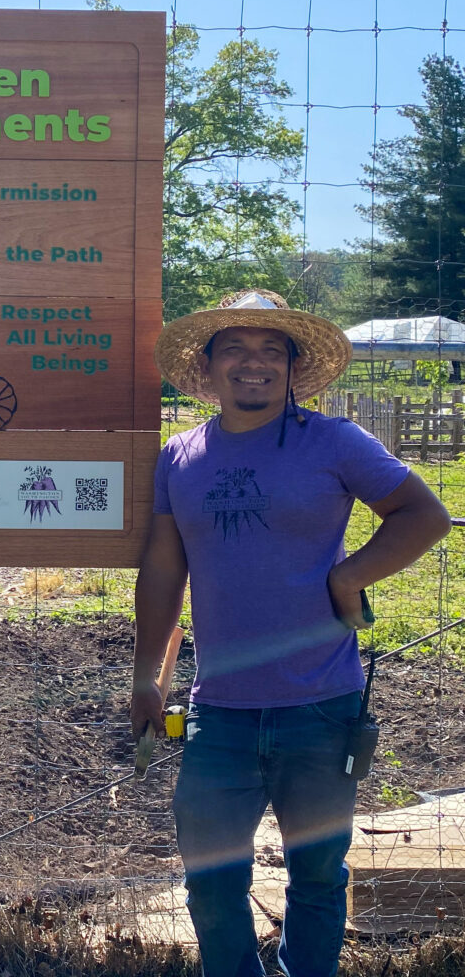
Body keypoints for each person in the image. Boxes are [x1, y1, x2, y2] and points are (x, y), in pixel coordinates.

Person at [132, 290, 450, 977]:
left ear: (293, 368)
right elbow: (163, 569)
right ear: (209, 367)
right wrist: (146, 676)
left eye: (272, 351)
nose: (255, 363)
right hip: (219, 716)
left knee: (317, 875)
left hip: (322, 706)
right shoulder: (180, 457)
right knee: (211, 880)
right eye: (237, 349)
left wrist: (348, 577)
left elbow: (423, 515)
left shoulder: (334, 442)